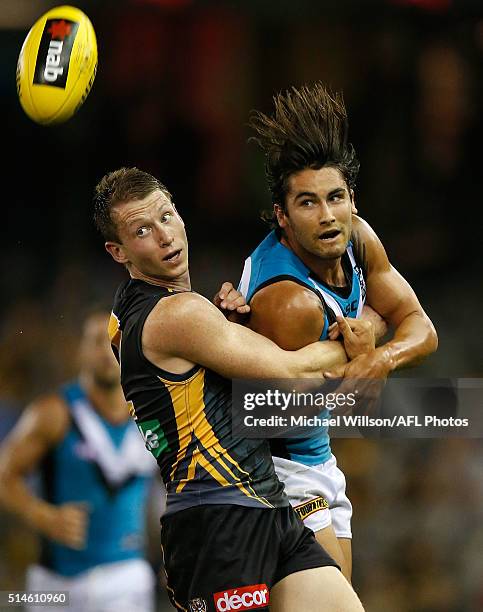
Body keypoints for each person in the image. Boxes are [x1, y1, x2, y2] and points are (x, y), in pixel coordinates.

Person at [92, 166, 367, 612]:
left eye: (167, 216)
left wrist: (229, 332)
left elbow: (194, 390)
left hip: (268, 506)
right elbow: (290, 374)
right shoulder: (178, 313)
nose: (165, 236)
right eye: (142, 229)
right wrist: (359, 330)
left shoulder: (123, 318)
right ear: (117, 251)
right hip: (217, 523)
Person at [238, 82, 438, 581]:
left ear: (352, 200)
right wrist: (361, 351)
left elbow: (422, 328)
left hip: (316, 457)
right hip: (275, 469)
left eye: (336, 197)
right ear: (281, 217)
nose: (327, 215)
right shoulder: (289, 303)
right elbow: (266, 410)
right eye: (307, 203)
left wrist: (379, 358)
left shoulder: (358, 238)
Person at [0, 310, 158, 612]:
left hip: (127, 577)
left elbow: (178, 482)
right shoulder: (53, 413)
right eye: (96, 341)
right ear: (79, 351)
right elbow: (4, 474)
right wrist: (41, 515)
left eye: (114, 340)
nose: (106, 350)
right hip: (56, 585)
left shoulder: (151, 415)